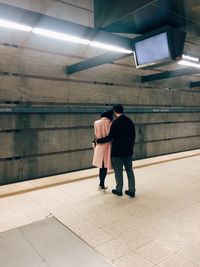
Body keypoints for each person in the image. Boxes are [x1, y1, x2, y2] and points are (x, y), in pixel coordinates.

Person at [96, 104, 136, 197]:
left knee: (118, 172)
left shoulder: (115, 123)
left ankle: (119, 190)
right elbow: (133, 136)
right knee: (129, 170)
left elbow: (110, 137)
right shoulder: (129, 121)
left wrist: (98, 140)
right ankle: (132, 190)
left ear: (114, 112)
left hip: (117, 153)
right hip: (128, 152)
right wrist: (130, 147)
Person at [92, 110, 113, 190]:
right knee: (105, 166)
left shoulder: (96, 123)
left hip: (99, 147)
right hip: (108, 146)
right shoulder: (111, 123)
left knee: (101, 167)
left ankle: (101, 184)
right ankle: (101, 185)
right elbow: (111, 136)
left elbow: (96, 134)